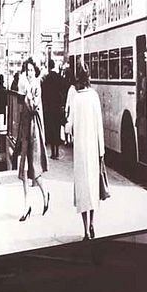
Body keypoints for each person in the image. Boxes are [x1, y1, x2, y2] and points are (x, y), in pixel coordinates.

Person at [66, 65, 105, 240]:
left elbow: (69, 126)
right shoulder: (94, 97)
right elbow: (99, 125)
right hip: (93, 148)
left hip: (80, 150)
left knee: (82, 189)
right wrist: (101, 150)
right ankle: (92, 223)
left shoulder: (76, 98)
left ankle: (85, 231)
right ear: (89, 77)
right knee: (92, 188)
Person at [16, 57, 50, 222]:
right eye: (26, 70)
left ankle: (45, 194)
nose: (29, 73)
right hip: (25, 130)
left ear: (35, 71)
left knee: (35, 171)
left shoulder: (36, 85)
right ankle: (26, 206)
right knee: (23, 170)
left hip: (34, 131)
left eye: (31, 70)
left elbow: (33, 107)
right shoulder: (25, 86)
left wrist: (27, 95)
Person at [41, 59, 66, 159]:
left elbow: (44, 95)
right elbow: (63, 89)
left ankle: (52, 153)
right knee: (57, 129)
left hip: (49, 109)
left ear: (48, 67)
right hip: (57, 108)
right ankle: (57, 152)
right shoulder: (59, 78)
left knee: (51, 130)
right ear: (54, 65)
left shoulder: (46, 79)